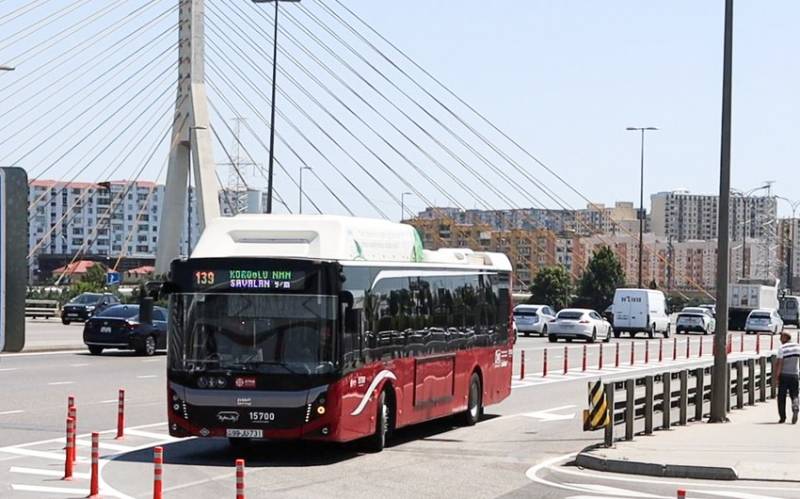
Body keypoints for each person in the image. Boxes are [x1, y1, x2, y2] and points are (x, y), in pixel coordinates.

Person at [773, 331, 800, 424]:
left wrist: (776, 377)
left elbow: (779, 363)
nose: (780, 339)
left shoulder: (782, 348)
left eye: (781, 337)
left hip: (784, 375)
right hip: (795, 375)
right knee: (794, 394)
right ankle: (795, 406)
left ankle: (782, 418)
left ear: (785, 338)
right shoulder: (797, 346)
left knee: (781, 397)